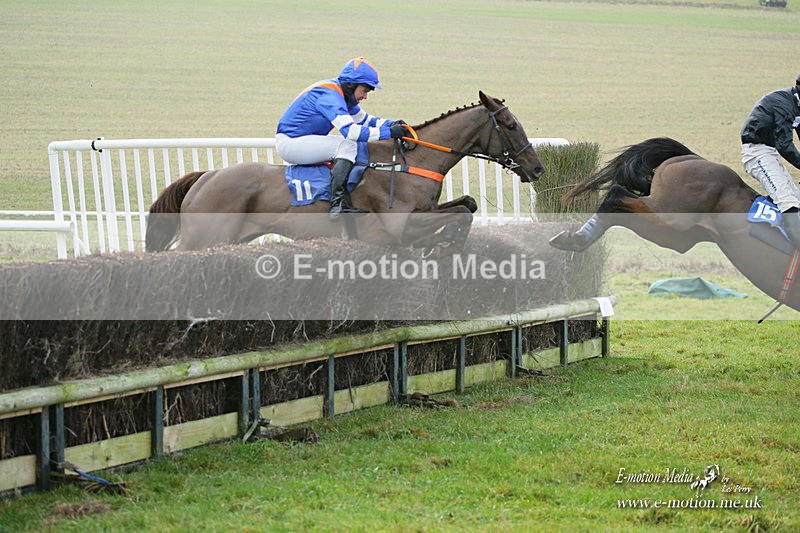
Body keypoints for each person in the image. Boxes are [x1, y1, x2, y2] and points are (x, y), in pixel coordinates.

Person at [276, 57, 407, 220]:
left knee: (348, 145)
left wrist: (392, 124)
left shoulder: (343, 95)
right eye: (364, 90)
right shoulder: (330, 96)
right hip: (291, 143)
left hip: (301, 140)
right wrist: (390, 133)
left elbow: (366, 120)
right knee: (347, 145)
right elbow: (351, 132)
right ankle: (337, 204)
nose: (365, 96)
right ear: (351, 84)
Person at [741, 74, 800, 249]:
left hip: (770, 152)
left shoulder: (797, 104)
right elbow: (784, 144)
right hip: (757, 153)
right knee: (787, 202)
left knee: (797, 200)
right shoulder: (784, 104)